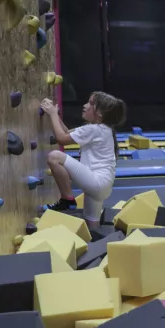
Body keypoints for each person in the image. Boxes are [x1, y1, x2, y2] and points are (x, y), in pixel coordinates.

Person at [39, 92, 127, 228]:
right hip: (102, 186)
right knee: (92, 226)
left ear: (100, 114)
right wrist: (55, 114)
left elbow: (61, 139)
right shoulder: (103, 129)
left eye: (91, 104)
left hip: (96, 181)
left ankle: (67, 200)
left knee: (54, 157)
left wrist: (52, 114)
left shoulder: (94, 130)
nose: (85, 106)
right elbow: (67, 133)